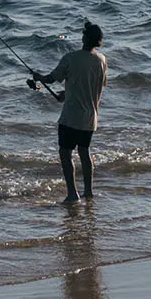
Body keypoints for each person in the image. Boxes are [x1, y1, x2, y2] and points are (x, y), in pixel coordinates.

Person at [32, 22, 108, 203]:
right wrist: (67, 94)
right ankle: (88, 191)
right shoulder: (102, 60)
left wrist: (38, 77)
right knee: (84, 152)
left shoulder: (71, 58)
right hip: (90, 119)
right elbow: (92, 85)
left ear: (84, 38)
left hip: (71, 118)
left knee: (65, 153)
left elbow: (51, 79)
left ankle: (72, 193)